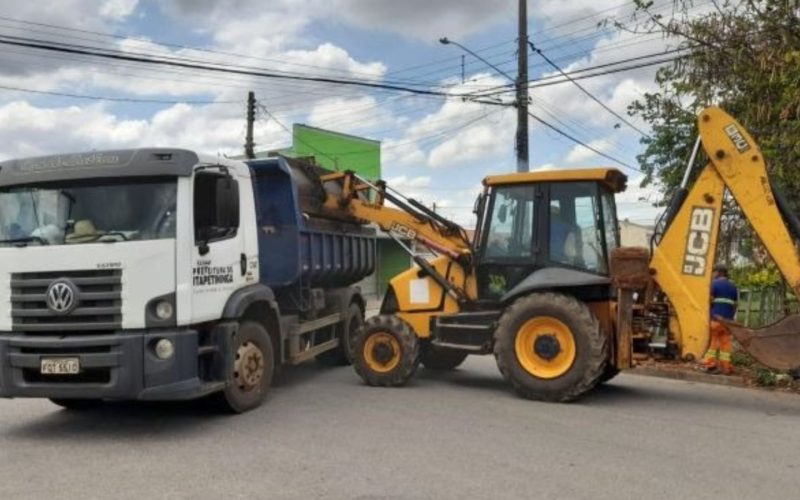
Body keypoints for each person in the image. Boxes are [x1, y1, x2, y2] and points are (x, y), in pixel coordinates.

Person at [702, 264, 738, 375]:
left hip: (716, 319)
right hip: (728, 322)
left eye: (714, 272)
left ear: (719, 272)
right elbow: (735, 304)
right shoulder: (733, 286)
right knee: (725, 345)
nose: (713, 274)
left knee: (713, 343)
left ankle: (710, 365)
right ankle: (726, 368)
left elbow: (709, 301)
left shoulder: (714, 284)